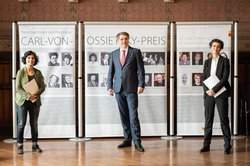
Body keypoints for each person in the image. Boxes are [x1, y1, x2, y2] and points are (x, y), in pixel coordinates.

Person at [108, 32, 145, 152]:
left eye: (126, 39)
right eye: (121, 39)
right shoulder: (114, 54)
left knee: (133, 116)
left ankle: (137, 142)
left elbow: (141, 70)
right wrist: (109, 86)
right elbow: (111, 72)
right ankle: (127, 139)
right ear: (118, 41)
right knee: (123, 116)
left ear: (128, 40)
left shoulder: (135, 52)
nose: (124, 41)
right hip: (118, 89)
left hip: (131, 89)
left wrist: (141, 84)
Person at [200, 39, 232, 154]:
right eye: (213, 46)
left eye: (218, 46)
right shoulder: (207, 62)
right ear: (211, 47)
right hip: (209, 94)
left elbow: (224, 78)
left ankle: (227, 145)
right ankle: (206, 145)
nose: (215, 48)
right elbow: (203, 78)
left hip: (221, 94)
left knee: (224, 119)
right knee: (208, 120)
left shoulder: (225, 61)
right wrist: (207, 91)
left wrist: (213, 90)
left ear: (221, 48)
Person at [15, 51, 45, 154]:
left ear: (35, 60)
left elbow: (43, 86)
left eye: (32, 58)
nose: (30, 60)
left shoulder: (38, 72)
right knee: (21, 124)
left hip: (35, 102)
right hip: (22, 102)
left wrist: (35, 95)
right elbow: (18, 88)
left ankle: (34, 145)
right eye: (28, 58)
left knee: (34, 124)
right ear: (25, 60)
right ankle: (20, 146)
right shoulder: (20, 72)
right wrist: (28, 96)